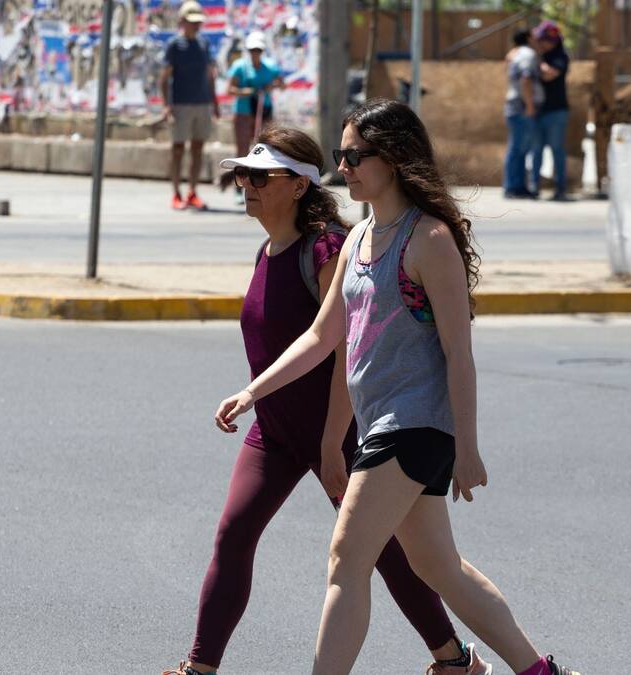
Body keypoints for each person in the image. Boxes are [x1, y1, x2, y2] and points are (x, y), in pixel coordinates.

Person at [214, 99, 580, 675]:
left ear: (394, 159)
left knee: (346, 558)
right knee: (439, 567)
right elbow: (319, 336)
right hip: (385, 423)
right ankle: (539, 671)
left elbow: (460, 353)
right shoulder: (359, 238)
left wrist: (467, 446)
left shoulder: (429, 239)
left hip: (413, 427)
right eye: (341, 155)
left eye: (356, 156)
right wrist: (253, 391)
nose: (345, 167)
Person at [164, 126, 484, 675]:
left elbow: (340, 349)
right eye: (243, 175)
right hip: (276, 430)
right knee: (233, 534)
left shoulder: (328, 248)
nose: (247, 185)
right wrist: (250, 396)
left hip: (336, 432)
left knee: (383, 551)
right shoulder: (268, 248)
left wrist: (334, 441)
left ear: (299, 185)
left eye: (261, 177)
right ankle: (200, 668)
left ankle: (453, 660)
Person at [158, 1, 219, 211]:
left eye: (198, 22)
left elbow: (210, 76)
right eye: (192, 22)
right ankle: (176, 193)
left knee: (197, 149)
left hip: (202, 104)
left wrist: (215, 103)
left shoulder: (204, 45)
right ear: (182, 21)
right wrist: (166, 105)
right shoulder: (175, 45)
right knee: (177, 150)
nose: (196, 26)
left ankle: (193, 192)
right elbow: (164, 78)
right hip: (181, 105)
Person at [226, 32, 284, 205]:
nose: (255, 53)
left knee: (265, 149)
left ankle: (262, 185)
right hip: (244, 112)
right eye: (252, 50)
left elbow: (282, 83)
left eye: (258, 50)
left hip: (264, 111)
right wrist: (248, 91)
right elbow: (230, 89)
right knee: (243, 150)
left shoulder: (270, 67)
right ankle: (239, 187)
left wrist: (270, 86)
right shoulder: (239, 67)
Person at [529, 21, 570, 201]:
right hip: (539, 111)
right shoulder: (541, 56)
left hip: (556, 111)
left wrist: (538, 61)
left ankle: (560, 188)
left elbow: (549, 74)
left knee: (556, 150)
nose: (539, 43)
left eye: (541, 40)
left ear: (550, 41)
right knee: (536, 150)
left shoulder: (559, 56)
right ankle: (534, 186)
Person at [503, 28, 542, 199]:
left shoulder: (515, 54)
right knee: (519, 149)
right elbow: (526, 78)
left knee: (518, 149)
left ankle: (516, 186)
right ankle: (514, 186)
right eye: (534, 37)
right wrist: (530, 105)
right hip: (522, 108)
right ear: (527, 38)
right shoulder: (528, 54)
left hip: (515, 107)